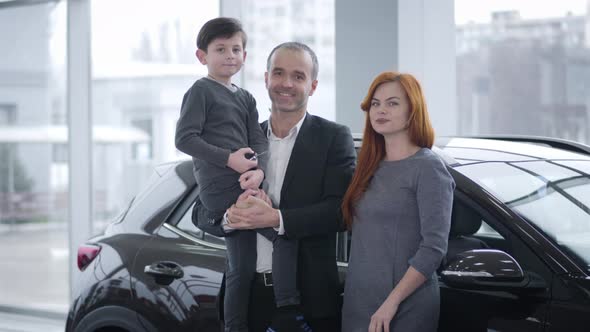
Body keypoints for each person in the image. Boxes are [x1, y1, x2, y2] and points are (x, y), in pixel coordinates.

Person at [195, 41, 356, 331]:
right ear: (267, 78)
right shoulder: (239, 137)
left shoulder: (333, 138)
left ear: (313, 85)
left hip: (308, 300)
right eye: (279, 73)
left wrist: (276, 219)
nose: (286, 83)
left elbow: (340, 212)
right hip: (245, 299)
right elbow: (201, 210)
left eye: (298, 76)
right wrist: (230, 218)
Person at [175, 18, 301, 332]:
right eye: (221, 49)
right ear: (202, 56)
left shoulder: (245, 98)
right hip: (220, 189)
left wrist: (257, 170)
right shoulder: (200, 92)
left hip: (247, 183)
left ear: (244, 56)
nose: (230, 55)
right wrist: (230, 160)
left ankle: (282, 311)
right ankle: (272, 315)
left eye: (236, 49)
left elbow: (256, 139)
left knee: (245, 265)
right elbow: (184, 138)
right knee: (276, 240)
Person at [340, 71, 455, 332]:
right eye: (375, 104)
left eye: (393, 103)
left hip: (403, 305)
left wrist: (391, 303)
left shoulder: (428, 168)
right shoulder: (368, 166)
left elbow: (433, 248)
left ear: (412, 110)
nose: (381, 110)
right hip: (359, 302)